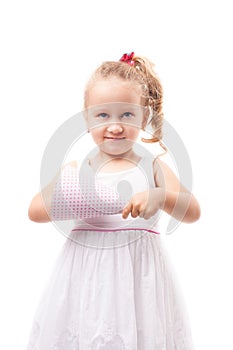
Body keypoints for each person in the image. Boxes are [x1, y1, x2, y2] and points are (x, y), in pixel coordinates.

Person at [27, 52, 200, 349]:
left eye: (127, 115)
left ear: (144, 116)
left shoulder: (153, 166)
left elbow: (192, 210)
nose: (115, 126)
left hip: (138, 277)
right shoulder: (79, 170)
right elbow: (35, 211)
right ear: (87, 118)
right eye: (103, 115)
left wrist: (160, 196)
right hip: (85, 278)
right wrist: (69, 195)